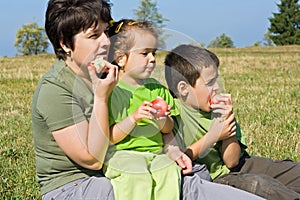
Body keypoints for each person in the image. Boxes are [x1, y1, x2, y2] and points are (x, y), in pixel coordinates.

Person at [164, 44, 300, 200]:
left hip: (242, 164)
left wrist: (227, 124)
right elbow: (179, 159)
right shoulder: (173, 113)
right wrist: (215, 135)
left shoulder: (218, 109)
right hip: (215, 178)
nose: (217, 87)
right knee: (261, 186)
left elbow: (232, 161)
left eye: (216, 80)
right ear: (183, 88)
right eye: (210, 83)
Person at [31, 0, 118, 199]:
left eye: (105, 32)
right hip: (71, 186)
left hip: (109, 172)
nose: (105, 42)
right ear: (64, 43)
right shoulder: (54, 90)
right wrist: (101, 98)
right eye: (94, 36)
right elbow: (92, 159)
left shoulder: (104, 72)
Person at [103, 19, 192, 200]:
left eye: (154, 54)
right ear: (121, 58)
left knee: (168, 171)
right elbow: (109, 137)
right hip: (122, 155)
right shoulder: (111, 90)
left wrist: (162, 121)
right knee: (137, 175)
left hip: (155, 153)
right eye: (144, 53)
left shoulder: (157, 90)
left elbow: (168, 130)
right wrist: (133, 118)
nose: (152, 59)